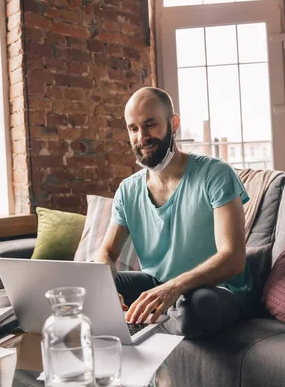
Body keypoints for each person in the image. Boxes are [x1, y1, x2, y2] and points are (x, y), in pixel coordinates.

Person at [93, 87, 256, 338]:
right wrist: (105, 289)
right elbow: (107, 251)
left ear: (174, 123)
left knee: (192, 309)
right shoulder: (127, 190)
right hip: (157, 285)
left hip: (215, 289)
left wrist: (174, 287)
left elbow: (233, 258)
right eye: (133, 129)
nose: (142, 137)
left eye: (150, 125)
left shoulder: (216, 174)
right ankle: (144, 324)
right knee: (89, 289)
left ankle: (141, 328)